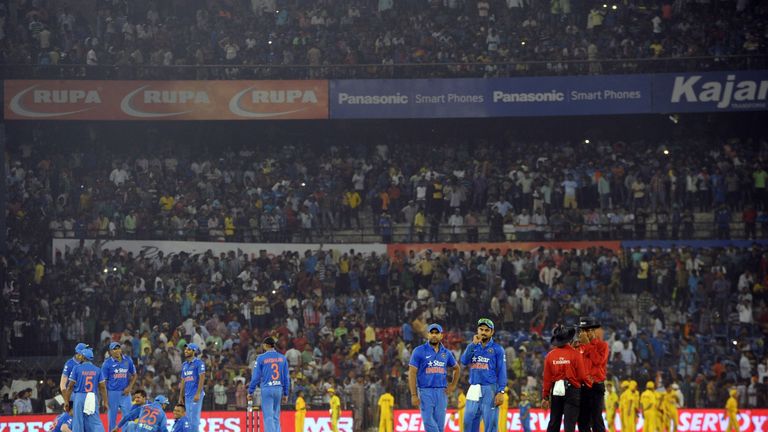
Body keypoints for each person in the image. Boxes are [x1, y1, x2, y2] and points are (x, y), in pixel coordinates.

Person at [408, 323, 460, 432]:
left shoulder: (446, 353)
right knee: (428, 421)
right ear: (428, 335)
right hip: (425, 391)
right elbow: (412, 373)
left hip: (442, 392)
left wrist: (453, 385)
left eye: (437, 333)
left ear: (441, 336)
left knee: (440, 426)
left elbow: (457, 368)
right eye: (432, 333)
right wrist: (413, 394)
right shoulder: (419, 351)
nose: (434, 335)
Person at [460, 318, 507, 432]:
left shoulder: (497, 349)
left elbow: (502, 371)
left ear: (492, 332)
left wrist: (501, 391)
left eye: (487, 330)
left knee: (490, 425)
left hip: (490, 389)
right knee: (468, 423)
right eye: (481, 329)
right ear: (477, 330)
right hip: (474, 388)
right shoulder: (473, 346)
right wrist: (472, 345)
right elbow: (464, 361)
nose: (483, 332)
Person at [541, 325, 587, 432]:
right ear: (569, 339)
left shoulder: (549, 356)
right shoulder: (576, 355)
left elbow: (547, 379)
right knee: (569, 425)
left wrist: (545, 397)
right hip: (572, 392)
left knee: (554, 422)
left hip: (556, 391)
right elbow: (582, 376)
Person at [248, 337, 290, 432]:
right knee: (276, 416)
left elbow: (256, 377)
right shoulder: (282, 358)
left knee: (268, 417)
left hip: (267, 388)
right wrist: (286, 393)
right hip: (278, 389)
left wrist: (250, 391)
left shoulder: (260, 358)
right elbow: (286, 378)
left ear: (265, 345)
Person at [64, 348, 108, 432]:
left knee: (78, 422)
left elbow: (70, 387)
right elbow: (102, 387)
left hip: (79, 396)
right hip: (92, 396)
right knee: (95, 422)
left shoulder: (76, 368)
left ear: (83, 357)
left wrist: (67, 401)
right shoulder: (97, 369)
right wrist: (105, 402)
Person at [576, 317, 608, 432]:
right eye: (582, 330)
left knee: (596, 419)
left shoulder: (602, 346)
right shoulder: (577, 347)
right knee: (582, 421)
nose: (583, 333)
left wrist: (588, 345)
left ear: (592, 331)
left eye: (586, 330)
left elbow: (598, 361)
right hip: (582, 387)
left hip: (596, 387)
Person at [102, 342, 137, 432]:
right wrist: (105, 399)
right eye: (114, 349)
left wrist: (129, 387)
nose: (117, 350)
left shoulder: (127, 360)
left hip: (125, 393)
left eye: (118, 348)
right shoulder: (107, 364)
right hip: (112, 393)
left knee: (128, 417)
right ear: (110, 351)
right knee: (112, 418)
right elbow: (103, 383)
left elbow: (134, 375)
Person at [179, 343, 206, 432]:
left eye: (189, 349)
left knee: (194, 419)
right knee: (189, 419)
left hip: (196, 394)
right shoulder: (184, 365)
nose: (186, 351)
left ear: (194, 351)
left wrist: (198, 393)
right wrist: (180, 396)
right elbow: (183, 380)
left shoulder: (199, 363)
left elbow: (202, 378)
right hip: (187, 396)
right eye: (185, 349)